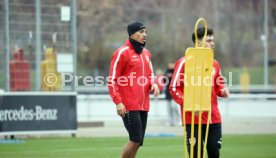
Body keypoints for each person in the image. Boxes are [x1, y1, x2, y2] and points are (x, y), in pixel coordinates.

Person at [169, 27, 230, 158]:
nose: (212, 43)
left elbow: (219, 86)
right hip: (193, 119)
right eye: (208, 40)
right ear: (198, 42)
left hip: (213, 118)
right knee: (196, 155)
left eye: (213, 40)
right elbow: (174, 88)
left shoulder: (215, 64)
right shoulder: (184, 62)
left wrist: (223, 91)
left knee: (214, 153)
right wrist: (190, 105)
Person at [108, 21, 159, 158]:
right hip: (128, 105)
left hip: (143, 105)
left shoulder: (146, 54)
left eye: (145, 32)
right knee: (135, 139)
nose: (144, 35)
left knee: (138, 142)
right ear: (131, 34)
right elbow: (112, 79)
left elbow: (150, 74)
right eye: (141, 32)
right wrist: (118, 102)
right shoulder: (121, 53)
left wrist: (153, 84)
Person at [164, 62, 180, 126]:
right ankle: (171, 121)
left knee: (175, 107)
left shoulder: (176, 71)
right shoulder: (166, 72)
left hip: (174, 92)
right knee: (169, 109)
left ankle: (178, 120)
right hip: (168, 93)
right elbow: (164, 80)